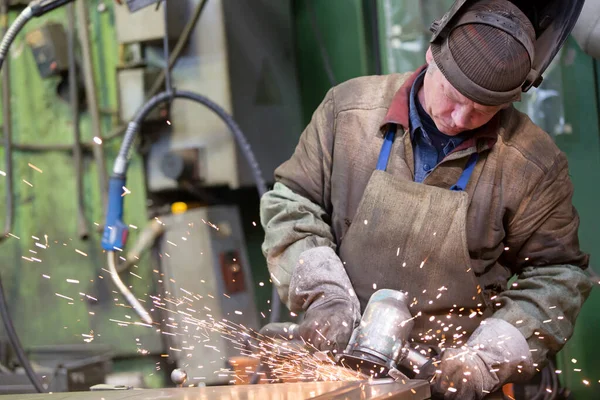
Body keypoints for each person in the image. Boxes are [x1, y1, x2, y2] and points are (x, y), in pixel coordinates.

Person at [259, 0, 593, 398]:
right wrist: (324, 293)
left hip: (447, 375)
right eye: (452, 96)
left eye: (482, 109)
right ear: (432, 53)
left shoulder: (531, 164)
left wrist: (486, 358)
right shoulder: (347, 113)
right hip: (341, 369)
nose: (458, 117)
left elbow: (559, 276)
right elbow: (292, 203)